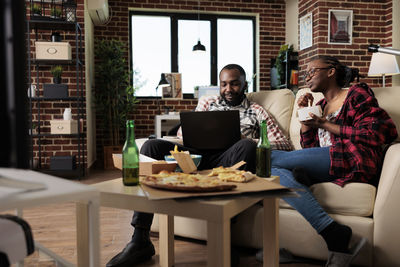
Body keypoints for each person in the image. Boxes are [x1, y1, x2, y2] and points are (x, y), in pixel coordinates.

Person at [106, 64, 293, 267]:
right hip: (196, 156)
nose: (228, 89)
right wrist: (191, 132)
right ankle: (140, 238)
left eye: (234, 84)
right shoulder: (208, 103)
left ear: (244, 84)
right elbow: (180, 136)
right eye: (224, 84)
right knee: (151, 146)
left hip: (231, 160)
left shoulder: (256, 110)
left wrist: (248, 139)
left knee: (246, 145)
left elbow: (284, 144)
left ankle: (226, 238)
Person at [266, 56, 398, 266]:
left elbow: (380, 133)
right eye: (305, 74)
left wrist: (325, 124)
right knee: (271, 168)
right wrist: (306, 120)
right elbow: (311, 151)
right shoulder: (319, 105)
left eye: (312, 71)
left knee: (267, 158)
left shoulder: (356, 94)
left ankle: (305, 183)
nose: (307, 77)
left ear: (331, 71)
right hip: (331, 161)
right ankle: (331, 231)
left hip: (355, 158)